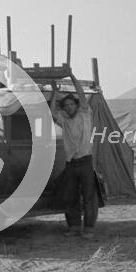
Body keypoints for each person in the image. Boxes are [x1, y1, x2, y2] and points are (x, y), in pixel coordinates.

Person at [50, 64, 97, 239]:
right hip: (71, 163)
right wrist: (55, 94)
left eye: (71, 104)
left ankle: (89, 229)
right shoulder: (64, 120)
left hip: (85, 161)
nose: (69, 107)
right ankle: (75, 227)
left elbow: (81, 94)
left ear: (76, 105)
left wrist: (71, 76)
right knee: (70, 196)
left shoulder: (84, 113)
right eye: (66, 105)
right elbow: (51, 112)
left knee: (89, 196)